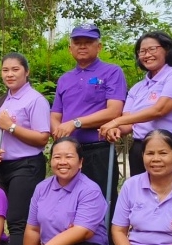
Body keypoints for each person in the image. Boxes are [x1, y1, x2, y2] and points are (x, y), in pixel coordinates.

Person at [8, 137, 111, 245]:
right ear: (51, 161)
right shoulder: (42, 188)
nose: (62, 162)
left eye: (69, 157)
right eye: (57, 157)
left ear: (80, 162)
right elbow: (33, 229)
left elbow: (83, 231)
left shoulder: (90, 190)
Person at [50, 24, 127, 218]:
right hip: (69, 153)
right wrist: (58, 135)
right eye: (77, 42)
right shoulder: (65, 79)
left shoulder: (112, 72)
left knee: (102, 199)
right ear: (70, 48)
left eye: (88, 42)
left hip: (99, 148)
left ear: (99, 47)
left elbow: (114, 111)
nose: (82, 46)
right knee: (68, 201)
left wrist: (75, 123)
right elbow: (55, 115)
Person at [100, 31, 172, 177]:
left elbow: (160, 110)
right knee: (141, 194)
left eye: (152, 49)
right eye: (142, 51)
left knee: (170, 195)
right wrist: (116, 129)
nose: (147, 55)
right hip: (141, 146)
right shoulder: (137, 87)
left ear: (167, 50)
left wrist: (115, 121)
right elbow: (128, 123)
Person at [0, 53, 51, 245]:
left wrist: (12, 127)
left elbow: (42, 138)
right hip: (1, 166)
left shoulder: (35, 100)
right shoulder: (1, 101)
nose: (9, 74)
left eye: (15, 69)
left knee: (18, 219)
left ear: (27, 71)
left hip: (26, 165)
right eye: (5, 70)